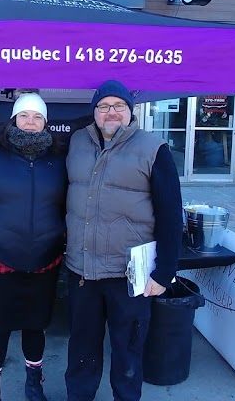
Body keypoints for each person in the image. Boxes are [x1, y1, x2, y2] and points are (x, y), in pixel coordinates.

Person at [64, 79, 183, 401]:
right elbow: (34, 145)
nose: (111, 112)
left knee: (128, 349)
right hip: (82, 270)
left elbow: (171, 214)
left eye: (119, 106)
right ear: (94, 112)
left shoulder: (153, 150)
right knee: (81, 349)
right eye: (104, 106)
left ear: (131, 111)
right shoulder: (77, 141)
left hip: (129, 274)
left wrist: (164, 272)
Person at [0, 92, 68, 401]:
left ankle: (34, 385)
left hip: (45, 261)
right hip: (0, 260)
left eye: (37, 117)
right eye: (24, 116)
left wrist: (60, 235)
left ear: (46, 123)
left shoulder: (60, 160)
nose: (30, 122)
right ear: (13, 120)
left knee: (36, 327)